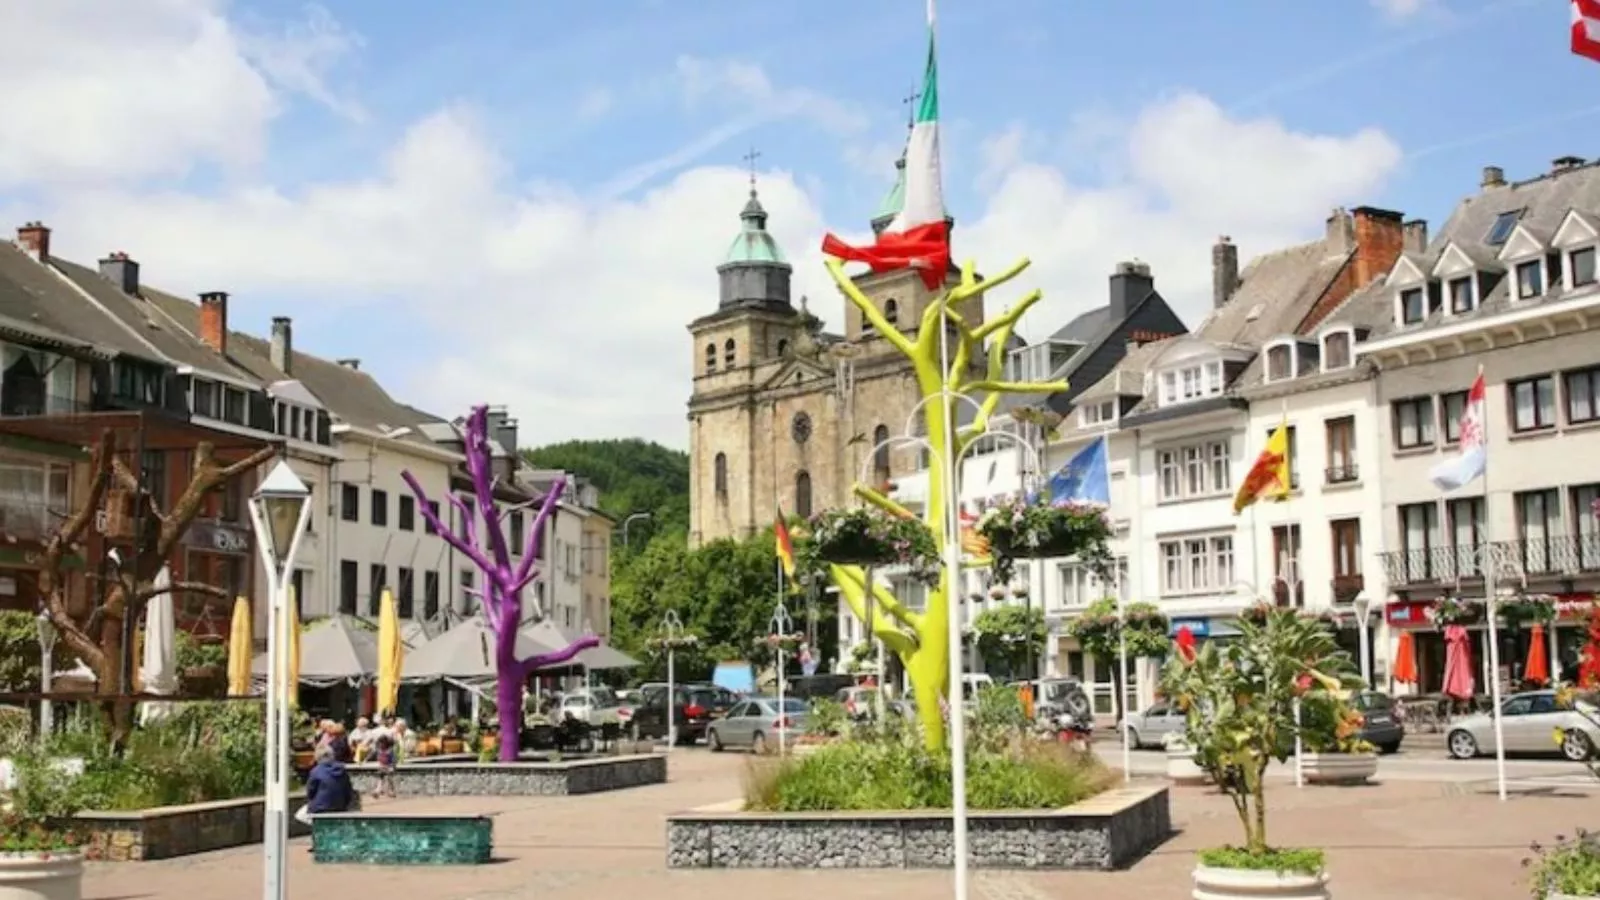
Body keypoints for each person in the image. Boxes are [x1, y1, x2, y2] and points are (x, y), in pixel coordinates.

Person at [295, 744, 354, 828]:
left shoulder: (316, 771)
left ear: (317, 757)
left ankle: (318, 827)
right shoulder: (342, 770)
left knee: (300, 815)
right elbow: (348, 790)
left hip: (320, 808)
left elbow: (310, 792)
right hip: (340, 806)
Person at [373, 733, 398, 798]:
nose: (380, 745)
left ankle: (391, 791)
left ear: (386, 743)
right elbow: (374, 755)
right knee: (380, 778)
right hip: (382, 766)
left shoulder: (390, 750)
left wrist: (392, 766)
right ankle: (377, 791)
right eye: (379, 743)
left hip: (389, 766)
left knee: (389, 779)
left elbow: (394, 759)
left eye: (382, 743)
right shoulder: (379, 749)